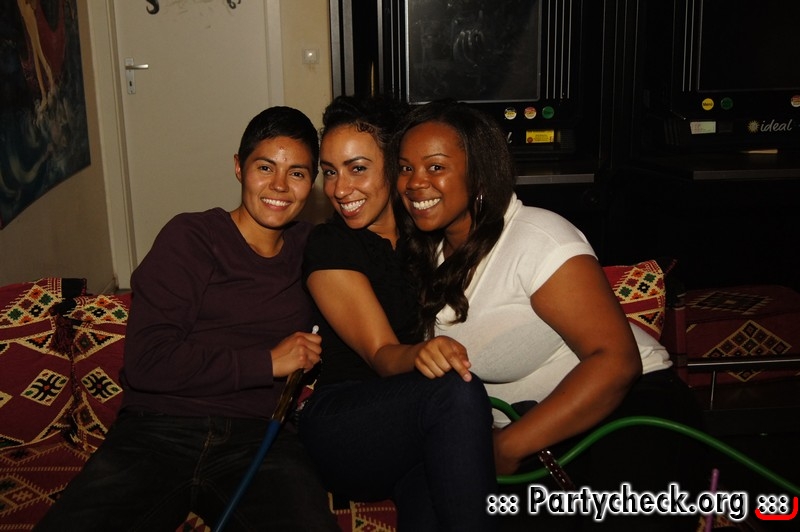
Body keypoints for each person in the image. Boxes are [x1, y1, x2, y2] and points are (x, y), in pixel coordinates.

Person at [391, 99, 708, 531]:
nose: (414, 182)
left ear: (479, 173)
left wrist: (509, 445)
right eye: (405, 168)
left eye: (435, 166)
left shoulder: (537, 237)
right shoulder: (431, 254)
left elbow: (616, 362)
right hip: (539, 440)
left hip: (629, 419)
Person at [35, 106, 339, 531]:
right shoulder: (191, 237)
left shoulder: (316, 249)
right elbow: (147, 361)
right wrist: (267, 362)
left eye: (298, 173)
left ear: (313, 183)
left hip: (258, 439)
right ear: (239, 167)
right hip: (156, 431)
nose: (279, 186)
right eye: (265, 167)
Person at [297, 95, 497, 531]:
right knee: (454, 391)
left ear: (394, 166)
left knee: (436, 499)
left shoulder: (426, 237)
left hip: (417, 426)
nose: (339, 189)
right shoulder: (330, 244)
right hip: (344, 423)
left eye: (357, 168)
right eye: (329, 172)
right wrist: (424, 354)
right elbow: (382, 354)